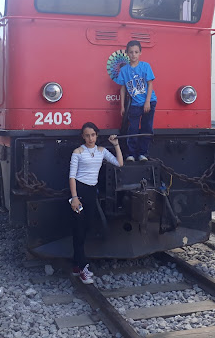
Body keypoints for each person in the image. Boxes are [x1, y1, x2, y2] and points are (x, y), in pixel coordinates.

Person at [69, 122, 123, 284]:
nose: (90, 138)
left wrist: (116, 145)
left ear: (97, 135)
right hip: (80, 192)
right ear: (83, 137)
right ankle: (84, 269)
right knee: (79, 229)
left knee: (86, 227)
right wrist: (74, 197)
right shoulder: (77, 152)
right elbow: (72, 176)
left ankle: (76, 265)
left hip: (92, 192)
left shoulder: (102, 151)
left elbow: (119, 163)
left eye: (93, 135)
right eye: (87, 135)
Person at [115, 40, 157, 162]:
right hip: (134, 104)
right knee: (132, 129)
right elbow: (122, 89)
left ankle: (143, 153)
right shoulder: (124, 70)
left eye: (136, 52)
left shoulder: (145, 66)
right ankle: (131, 154)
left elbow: (150, 84)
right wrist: (122, 106)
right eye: (131, 52)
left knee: (146, 127)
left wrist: (147, 102)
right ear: (127, 53)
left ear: (140, 53)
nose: (133, 55)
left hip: (149, 102)